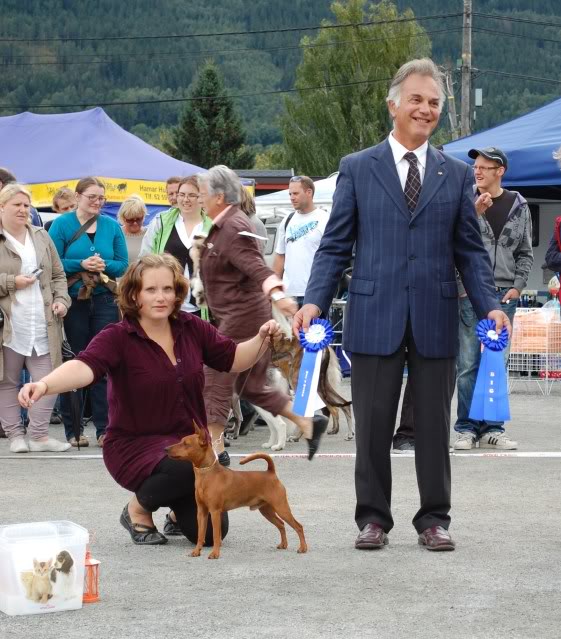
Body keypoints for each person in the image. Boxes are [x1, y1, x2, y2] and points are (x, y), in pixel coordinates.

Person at [294, 58, 510, 552]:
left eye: (434, 102)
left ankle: (434, 518)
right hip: (374, 314)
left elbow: (471, 252)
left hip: (436, 314)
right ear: (393, 104)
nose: (426, 109)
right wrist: (314, 302)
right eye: (416, 99)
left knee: (433, 427)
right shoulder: (356, 167)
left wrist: (490, 305)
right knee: (371, 425)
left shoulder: (455, 175)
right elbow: (335, 245)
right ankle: (373, 518)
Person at [19, 253, 284, 546]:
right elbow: (84, 367)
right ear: (134, 294)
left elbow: (233, 359)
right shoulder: (117, 336)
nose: (161, 297)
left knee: (210, 534)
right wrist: (44, 384)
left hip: (185, 444)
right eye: (151, 290)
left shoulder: (191, 327)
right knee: (187, 466)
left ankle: (175, 508)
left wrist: (261, 338)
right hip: (133, 445)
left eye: (168, 289)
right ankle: (138, 509)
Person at [197, 165, 328, 467]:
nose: (201, 198)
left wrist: (279, 297)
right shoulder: (221, 225)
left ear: (218, 196)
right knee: (252, 386)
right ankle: (307, 423)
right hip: (240, 314)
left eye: (203, 193)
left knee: (214, 376)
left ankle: (215, 452)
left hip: (241, 316)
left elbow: (257, 267)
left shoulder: (233, 227)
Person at [453, 147, 533, 451]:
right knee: (468, 363)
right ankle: (466, 428)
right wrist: (473, 213)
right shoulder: (465, 201)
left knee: (496, 361)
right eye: (475, 167)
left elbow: (525, 251)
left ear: (501, 171)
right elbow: (453, 242)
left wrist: (519, 285)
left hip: (505, 294)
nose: (478, 172)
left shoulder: (518, 204)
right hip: (471, 292)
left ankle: (493, 429)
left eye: (485, 167)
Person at [48, 177, 128, 447]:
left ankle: (105, 429)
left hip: (104, 300)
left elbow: (123, 264)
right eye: (92, 196)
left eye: (101, 198)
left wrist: (102, 264)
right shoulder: (61, 225)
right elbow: (52, 261)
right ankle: (74, 430)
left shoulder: (112, 226)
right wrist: (80, 263)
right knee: (76, 362)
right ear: (79, 196)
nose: (97, 202)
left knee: (103, 363)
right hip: (74, 301)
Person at [0, 184, 71, 453]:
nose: (23, 210)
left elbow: (58, 275)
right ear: (2, 206)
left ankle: (39, 435)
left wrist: (62, 300)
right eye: (17, 204)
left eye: (26, 205)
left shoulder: (41, 235)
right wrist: (11, 282)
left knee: (49, 378)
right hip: (8, 323)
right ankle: (15, 436)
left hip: (43, 321)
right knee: (7, 381)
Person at [140, 176, 210, 315]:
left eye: (191, 195)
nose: (185, 199)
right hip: (165, 303)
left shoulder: (213, 226)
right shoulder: (160, 222)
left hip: (202, 307)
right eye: (182, 194)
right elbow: (144, 258)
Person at [273, 176, 328, 307]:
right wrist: (276, 292)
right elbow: (280, 257)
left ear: (309, 192)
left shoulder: (325, 219)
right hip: (288, 295)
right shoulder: (287, 220)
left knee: (316, 328)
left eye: (296, 193)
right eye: (290, 194)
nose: (292, 197)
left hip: (315, 293)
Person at [117, 195, 147, 262]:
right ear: (123, 218)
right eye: (130, 220)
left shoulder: (150, 234)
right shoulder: (116, 233)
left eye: (139, 219)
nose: (135, 223)